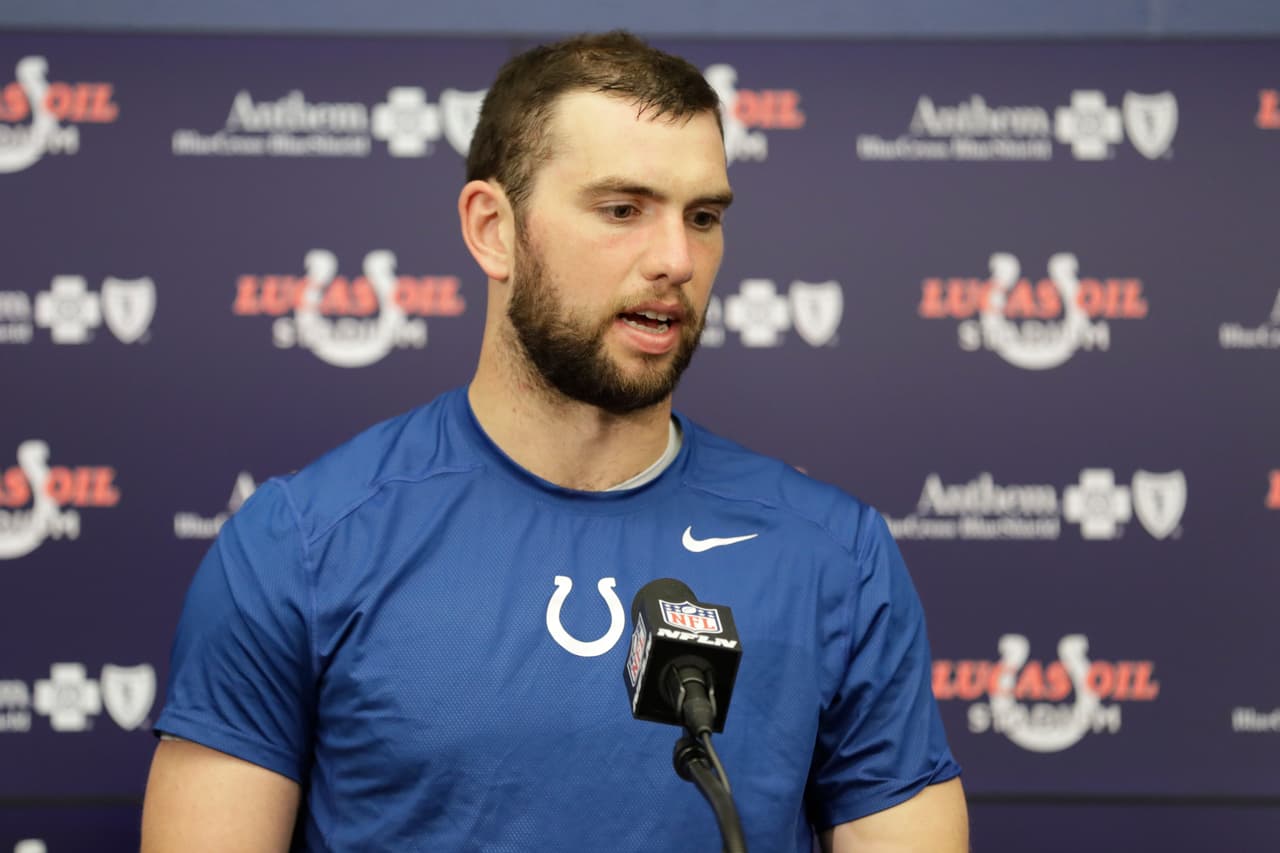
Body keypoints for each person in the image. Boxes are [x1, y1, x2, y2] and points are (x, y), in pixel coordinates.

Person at [140, 31, 968, 852]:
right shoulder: (304, 546)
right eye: (622, 209)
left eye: (704, 216)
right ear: (492, 229)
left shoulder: (834, 556)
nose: (677, 258)